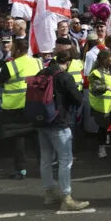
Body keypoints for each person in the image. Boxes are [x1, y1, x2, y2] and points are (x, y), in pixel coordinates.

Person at [35, 43, 90, 211]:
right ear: (69, 62)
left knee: (46, 159)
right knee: (65, 160)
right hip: (59, 122)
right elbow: (78, 99)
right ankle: (67, 197)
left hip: (41, 121)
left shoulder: (42, 72)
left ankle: (49, 193)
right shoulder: (64, 77)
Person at [0, 38, 41, 179]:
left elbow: (0, 81)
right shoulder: (38, 62)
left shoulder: (10, 66)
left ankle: (20, 170)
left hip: (15, 108)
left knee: (18, 140)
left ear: (16, 49)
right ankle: (43, 167)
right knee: (37, 139)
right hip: (34, 105)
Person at [88, 48, 111, 159]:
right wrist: (107, 87)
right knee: (103, 127)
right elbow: (95, 88)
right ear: (105, 59)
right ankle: (101, 148)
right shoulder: (95, 73)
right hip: (103, 105)